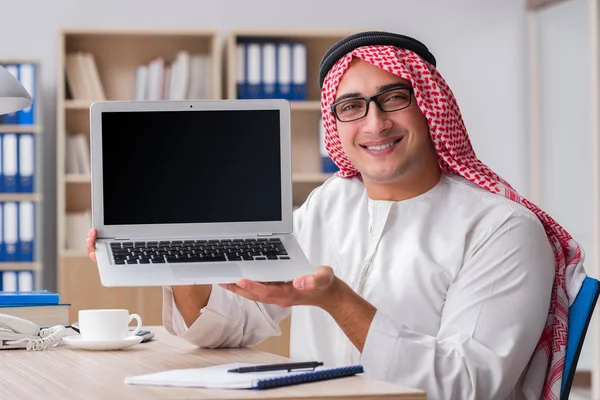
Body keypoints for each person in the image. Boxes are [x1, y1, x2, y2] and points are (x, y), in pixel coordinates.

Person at [87, 31, 588, 400]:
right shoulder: (331, 203)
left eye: (394, 98)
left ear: (431, 108)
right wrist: (181, 259)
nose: (375, 122)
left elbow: (467, 387)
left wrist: (338, 302)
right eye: (351, 106)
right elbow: (233, 327)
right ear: (334, 123)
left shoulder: (501, 229)